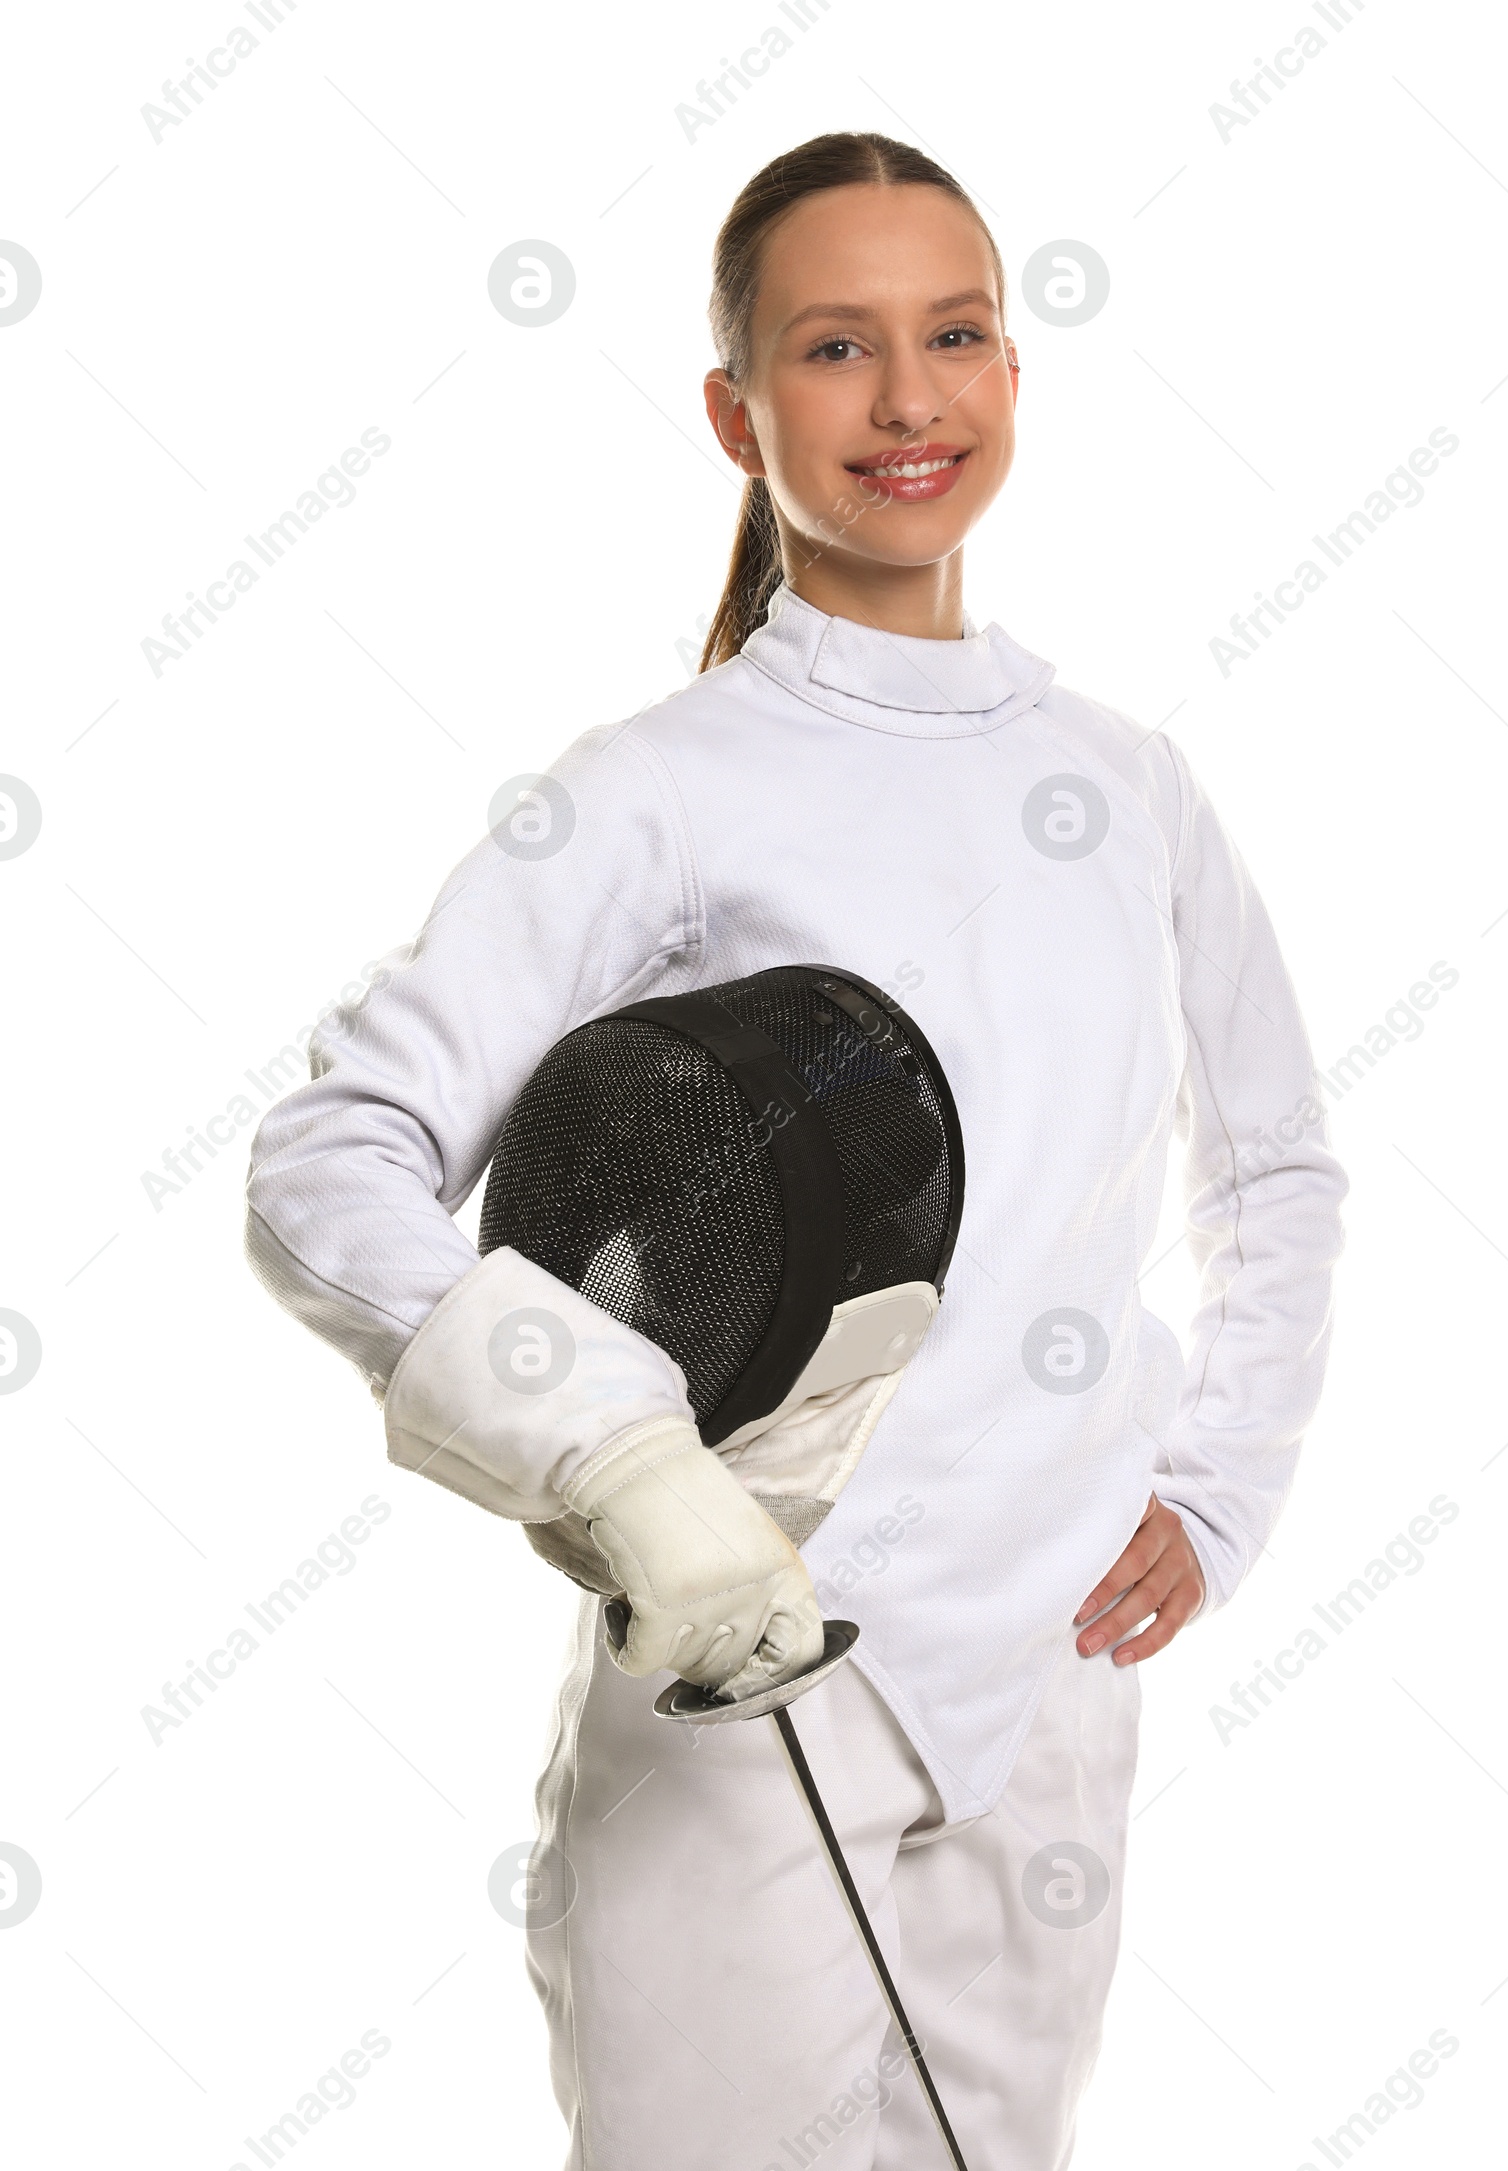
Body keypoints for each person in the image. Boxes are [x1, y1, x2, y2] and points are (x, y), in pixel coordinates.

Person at [245, 130, 1348, 2171]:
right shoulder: (656, 792)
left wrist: (1211, 1492)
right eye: (833, 348)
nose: (904, 401)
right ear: (733, 408)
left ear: (1013, 373)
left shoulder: (1123, 785)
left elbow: (1271, 1170)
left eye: (954, 337)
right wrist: (616, 1461)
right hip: (736, 1680)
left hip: (1047, 1688)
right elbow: (336, 1161)